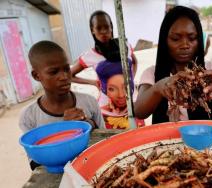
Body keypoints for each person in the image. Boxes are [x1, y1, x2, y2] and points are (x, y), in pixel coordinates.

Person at [134, 6, 212, 124]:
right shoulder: (151, 74)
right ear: (164, 40)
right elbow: (140, 111)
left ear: (199, 40)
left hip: (204, 140)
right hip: (165, 141)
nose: (185, 45)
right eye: (176, 39)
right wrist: (158, 88)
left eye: (192, 38)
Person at [19, 41, 105, 170]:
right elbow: (35, 164)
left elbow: (104, 140)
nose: (64, 76)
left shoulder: (89, 102)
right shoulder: (29, 116)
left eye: (66, 69)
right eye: (54, 72)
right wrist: (66, 131)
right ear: (37, 75)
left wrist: (87, 124)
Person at [70, 10, 138, 129]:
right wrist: (93, 83)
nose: (103, 32)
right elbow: (69, 75)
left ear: (111, 27)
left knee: (138, 139)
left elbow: (134, 62)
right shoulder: (90, 55)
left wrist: (131, 80)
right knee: (115, 142)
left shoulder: (124, 45)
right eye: (99, 28)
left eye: (106, 27)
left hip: (132, 104)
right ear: (92, 30)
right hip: (108, 109)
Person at [95, 60, 144, 129]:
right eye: (112, 89)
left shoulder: (140, 108)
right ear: (102, 87)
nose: (121, 95)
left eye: (125, 87)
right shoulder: (100, 115)